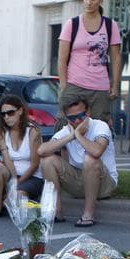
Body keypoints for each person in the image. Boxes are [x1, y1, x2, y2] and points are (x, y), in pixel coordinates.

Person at [38, 97, 118, 227]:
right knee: (47, 160)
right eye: (72, 118)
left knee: (90, 158)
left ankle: (88, 214)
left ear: (88, 113)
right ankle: (56, 211)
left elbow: (97, 151)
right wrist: (71, 136)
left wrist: (79, 135)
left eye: (81, 116)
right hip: (79, 182)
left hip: (104, 184)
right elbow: (41, 151)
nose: (77, 121)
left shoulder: (100, 126)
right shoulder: (67, 131)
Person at [57, 0, 122, 125]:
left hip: (100, 88)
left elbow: (116, 57)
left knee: (98, 130)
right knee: (64, 128)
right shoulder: (72, 24)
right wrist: (65, 87)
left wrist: (115, 86)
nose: (89, 2)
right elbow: (61, 59)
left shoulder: (110, 25)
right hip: (74, 85)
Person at [0, 94, 43, 219]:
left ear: (20, 111)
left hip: (32, 176)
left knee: (17, 201)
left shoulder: (32, 131)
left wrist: (18, 183)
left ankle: (13, 200)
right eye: (3, 114)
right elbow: (7, 158)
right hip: (12, 174)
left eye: (10, 113)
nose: (6, 117)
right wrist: (14, 181)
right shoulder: (2, 132)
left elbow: (34, 165)